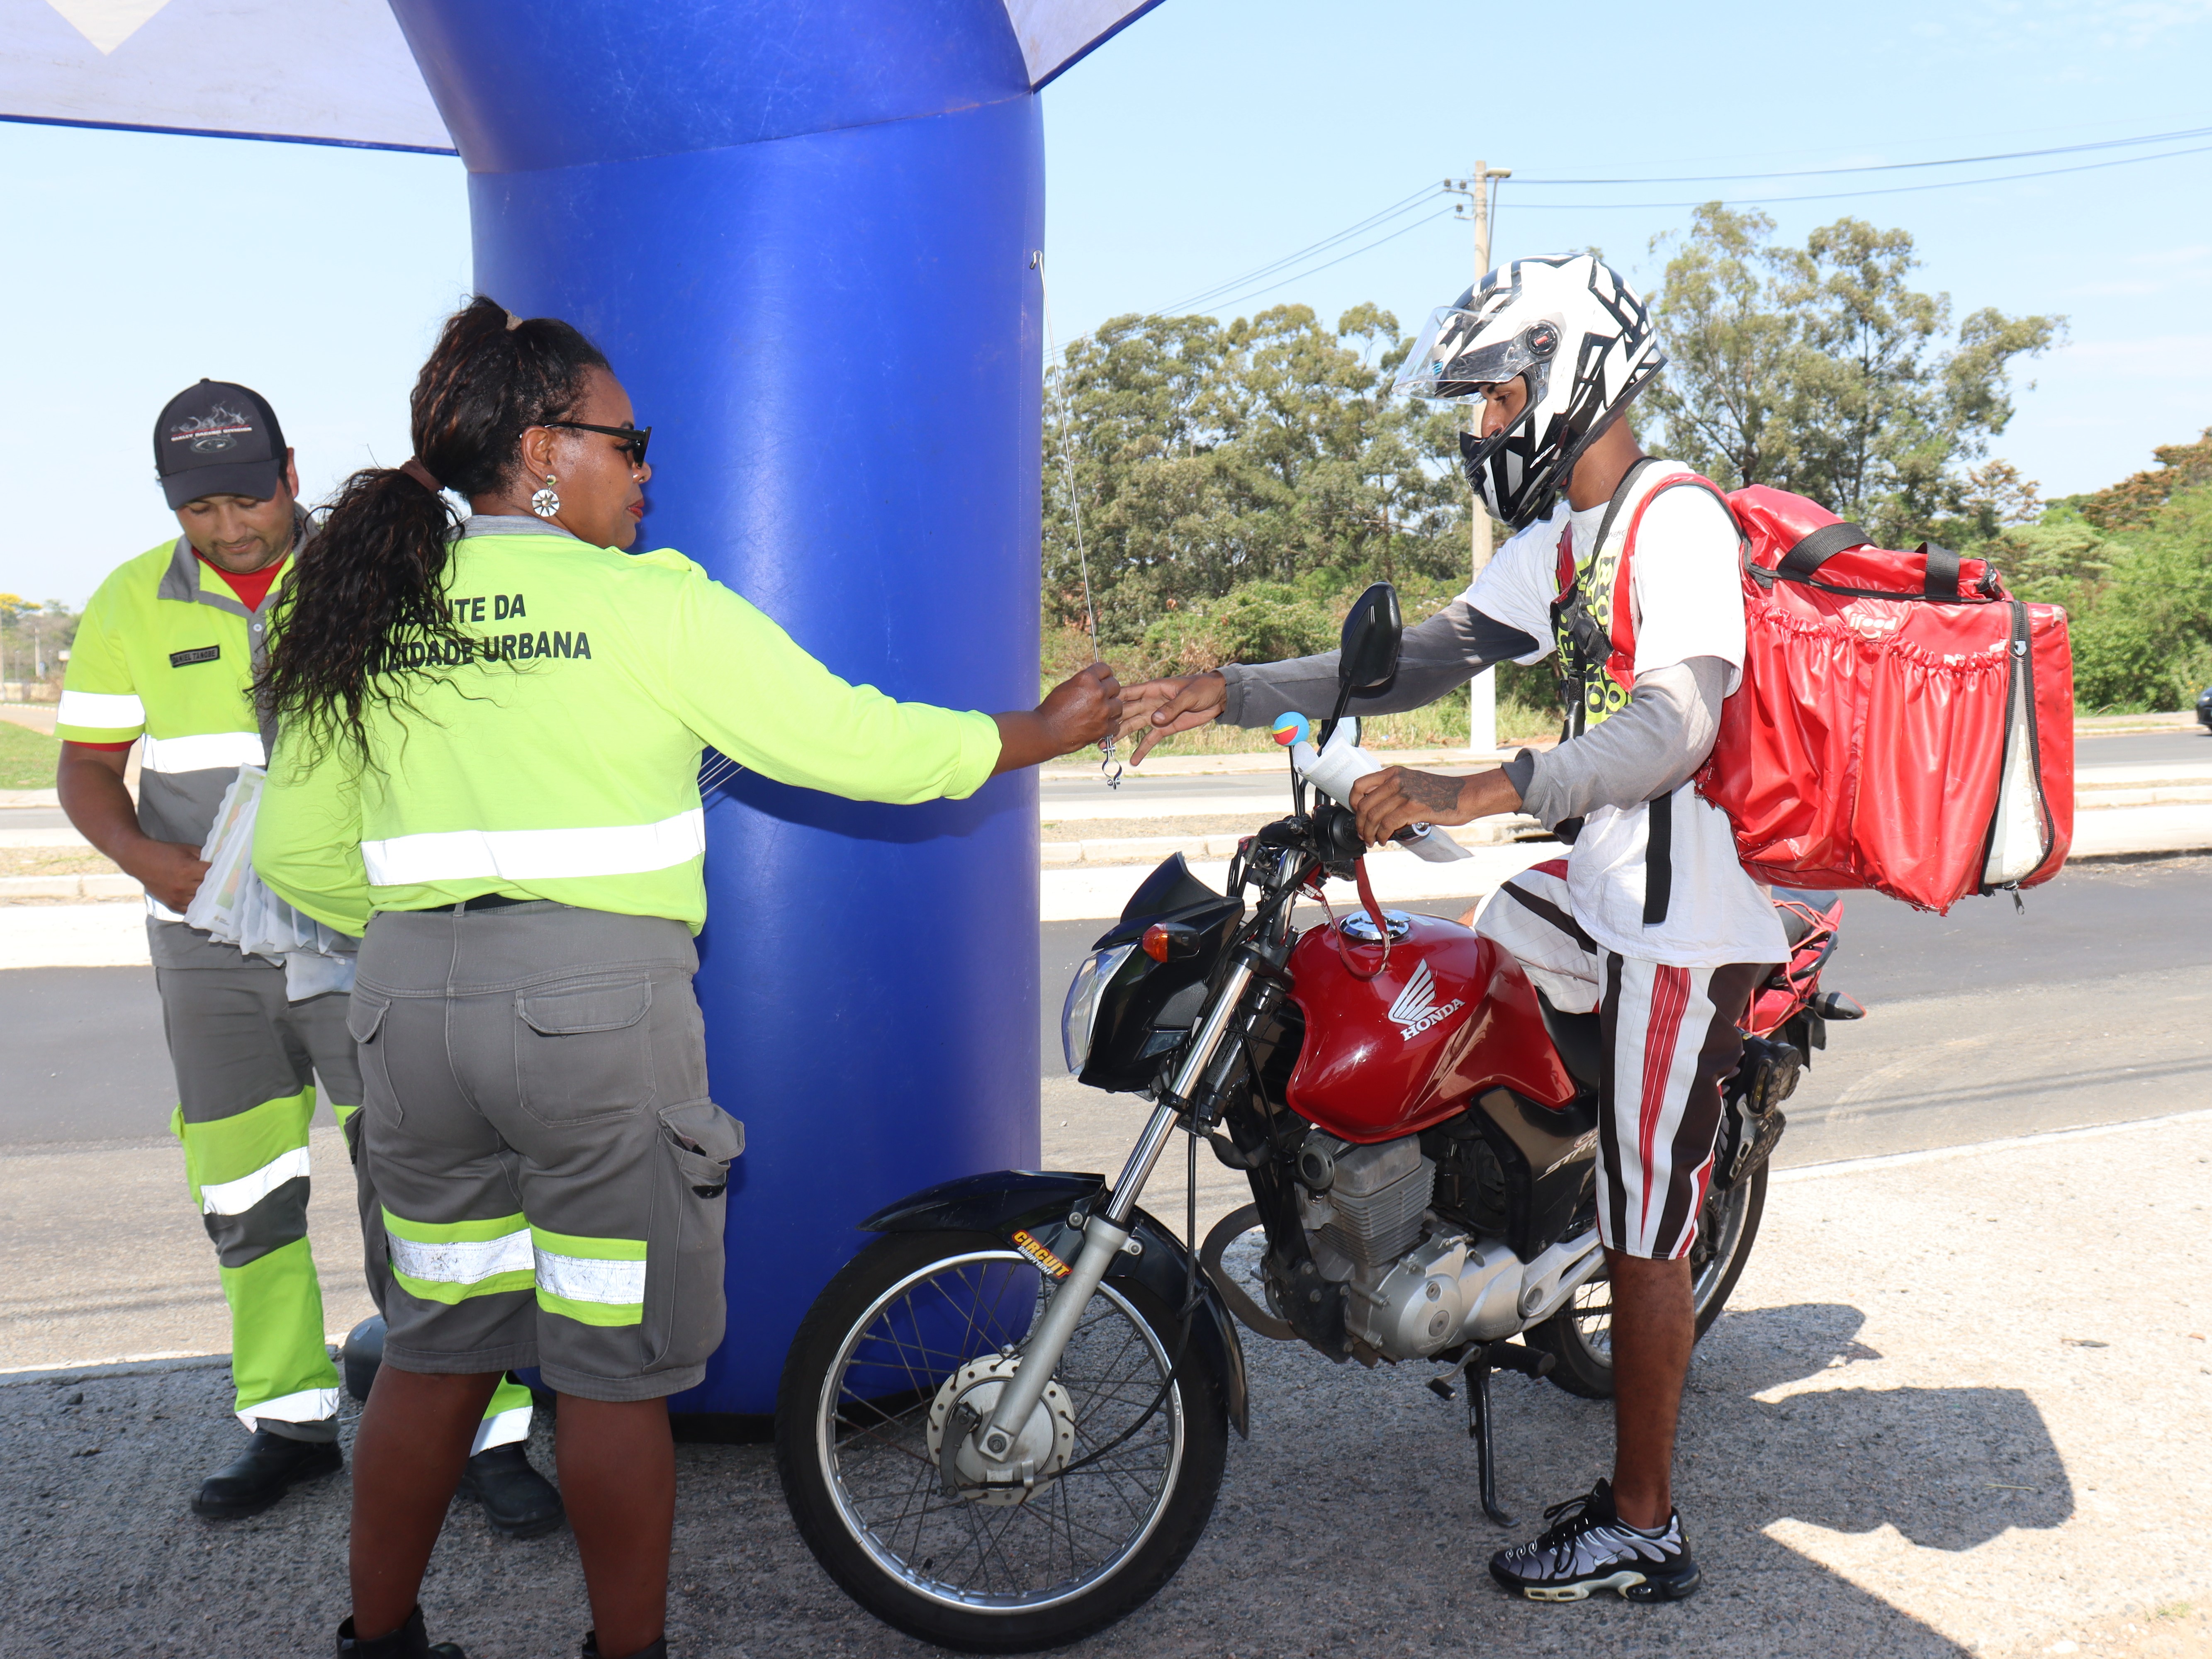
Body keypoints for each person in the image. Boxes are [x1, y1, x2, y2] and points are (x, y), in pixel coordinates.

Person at [252, 297, 1122, 1659]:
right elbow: (858, 744)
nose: (647, 466)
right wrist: (1043, 731)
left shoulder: (364, 598)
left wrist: (444, 926)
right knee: (610, 1368)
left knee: (434, 1348)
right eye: (627, 437)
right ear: (543, 449)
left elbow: (299, 851)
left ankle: (378, 1642)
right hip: (598, 1016)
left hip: (406, 1007)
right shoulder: (648, 605)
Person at [1118, 254, 1788, 1605]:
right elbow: (1429, 652)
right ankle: (1489, 1232)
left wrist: (1479, 785)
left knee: (1651, 1221)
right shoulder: (1570, 538)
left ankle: (1643, 1522)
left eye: (1497, 398)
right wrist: (1232, 689)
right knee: (1451, 968)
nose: (1485, 426)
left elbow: (1678, 725)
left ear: (1572, 377)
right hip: (1590, 889)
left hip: (1683, 927)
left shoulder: (1677, 523)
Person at [54, 380, 556, 1531]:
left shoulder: (378, 571)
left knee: (431, 1188)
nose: (229, 528)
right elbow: (87, 767)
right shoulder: (130, 601)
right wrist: (145, 859)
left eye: (247, 498)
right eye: (200, 510)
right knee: (244, 1190)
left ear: (292, 472)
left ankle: (490, 1431)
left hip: (365, 933)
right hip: (207, 951)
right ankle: (284, 1421)